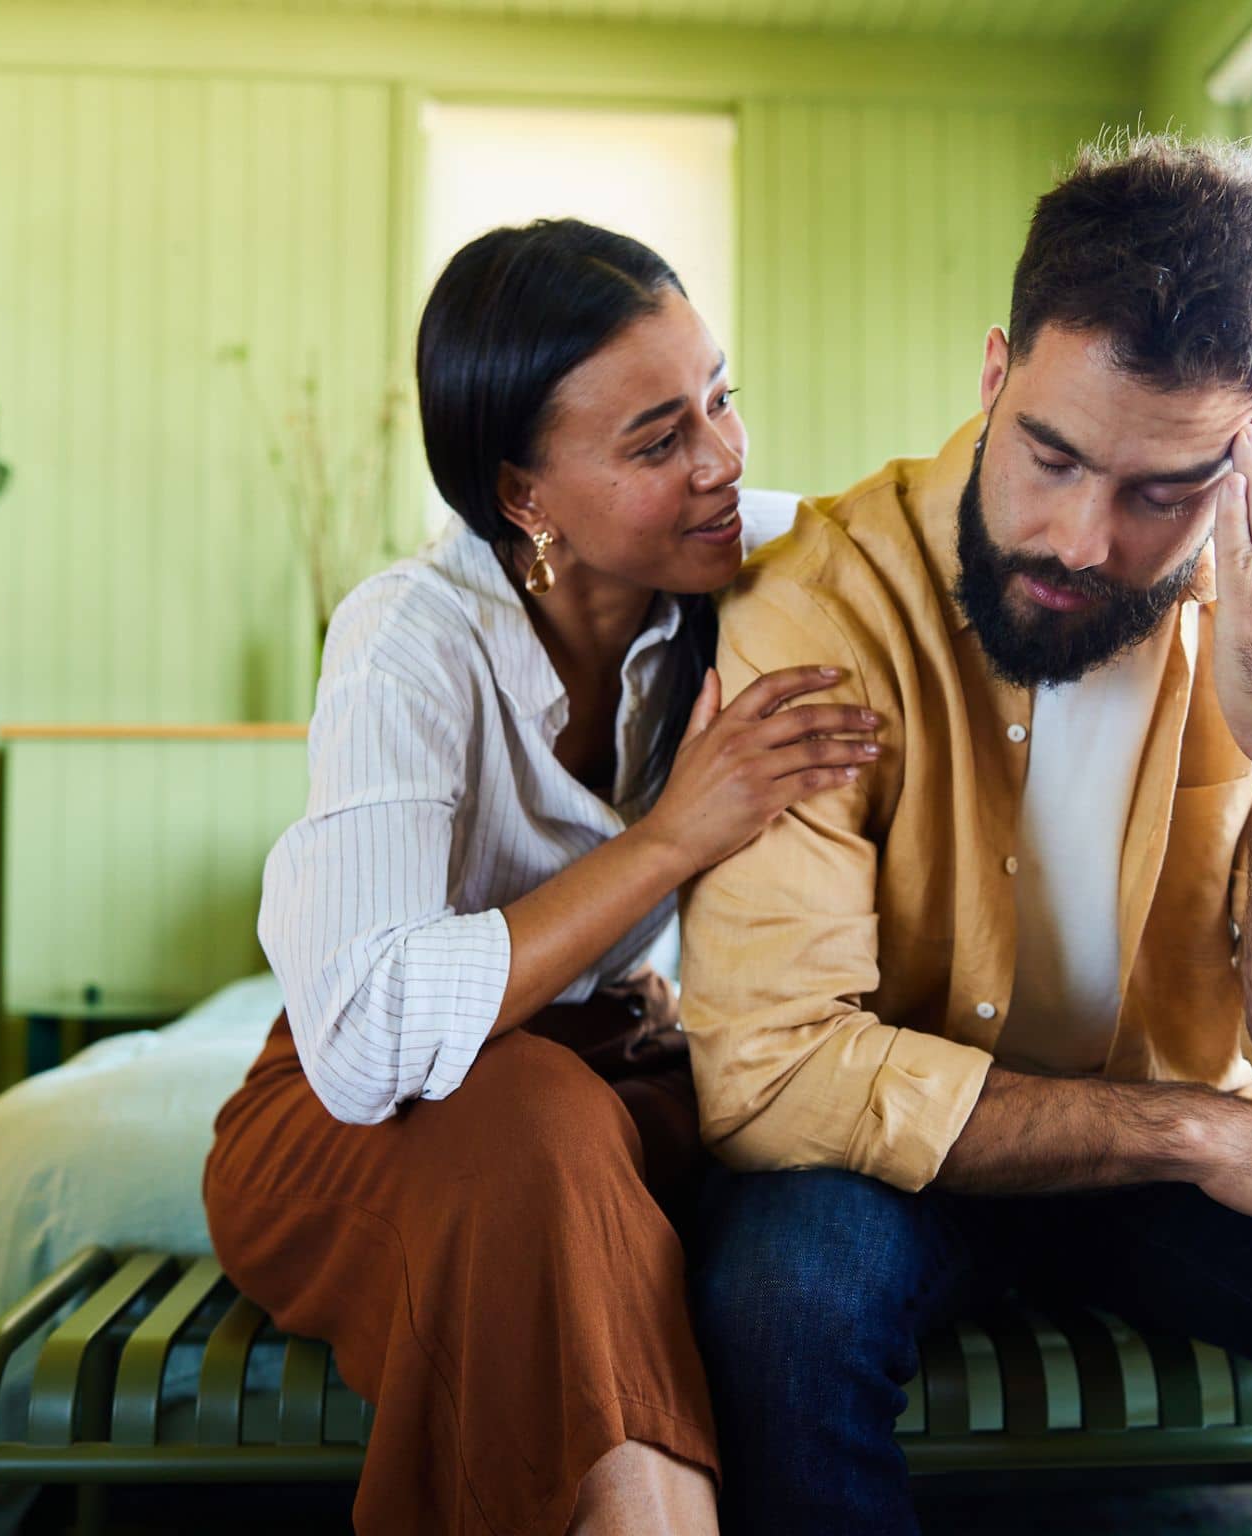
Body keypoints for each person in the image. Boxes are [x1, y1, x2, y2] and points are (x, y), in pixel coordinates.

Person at [678, 132, 1252, 1535]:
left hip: (1170, 1177)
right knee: (779, 1304)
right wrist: (1201, 1138)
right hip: (895, 1166)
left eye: (1162, 492)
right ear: (993, 377)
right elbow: (767, 1077)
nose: (1081, 538)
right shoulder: (819, 600)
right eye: (1051, 454)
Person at [202, 218, 876, 1536]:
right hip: (362, 1123)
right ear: (522, 495)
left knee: (696, 1147)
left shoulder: (758, 565)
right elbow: (367, 1038)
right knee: (537, 1124)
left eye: (721, 399)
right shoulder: (408, 638)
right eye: (657, 440)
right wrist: (675, 835)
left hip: (626, 1083)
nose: (723, 460)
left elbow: (943, 533)